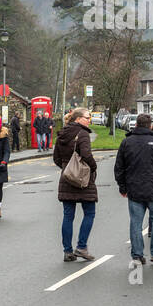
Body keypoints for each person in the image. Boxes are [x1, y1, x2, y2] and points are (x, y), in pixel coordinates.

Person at [114, 113, 153, 265]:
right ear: (150, 126)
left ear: (136, 125)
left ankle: (137, 254)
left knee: (136, 222)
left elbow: (119, 167)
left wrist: (122, 186)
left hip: (134, 189)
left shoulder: (126, 142)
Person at [55, 108, 99, 262]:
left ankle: (67, 251)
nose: (89, 120)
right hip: (83, 179)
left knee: (68, 216)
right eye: (88, 117)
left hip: (67, 177)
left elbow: (56, 158)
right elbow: (86, 155)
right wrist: (93, 168)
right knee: (90, 212)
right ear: (79, 118)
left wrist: (68, 170)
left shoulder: (62, 133)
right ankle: (81, 247)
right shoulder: (83, 133)